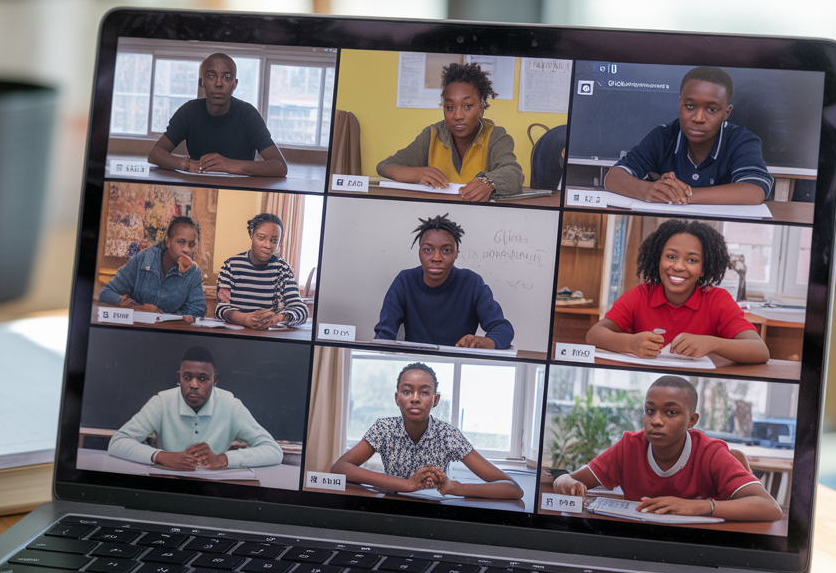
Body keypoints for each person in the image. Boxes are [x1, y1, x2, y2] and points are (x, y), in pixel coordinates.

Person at [552, 376, 782, 521]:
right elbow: (567, 479)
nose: (656, 421)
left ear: (692, 421)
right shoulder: (629, 446)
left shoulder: (711, 453)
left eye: (671, 412)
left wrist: (699, 507)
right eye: (650, 411)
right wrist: (567, 482)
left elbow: (770, 508)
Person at [585, 219, 769, 364]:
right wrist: (630, 344)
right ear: (658, 259)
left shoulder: (717, 300)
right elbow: (594, 334)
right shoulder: (641, 295)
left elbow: (760, 351)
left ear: (704, 269)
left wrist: (712, 343)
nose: (679, 266)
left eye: (692, 260)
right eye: (671, 257)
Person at [330, 362, 523, 500]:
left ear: (435, 400)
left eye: (424, 392)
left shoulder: (448, 435)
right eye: (407, 392)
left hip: (434, 510)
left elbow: (513, 489)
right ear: (397, 398)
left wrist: (456, 487)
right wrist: (407, 485)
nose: (415, 399)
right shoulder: (383, 428)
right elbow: (339, 468)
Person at [603, 66, 773, 206]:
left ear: (726, 113)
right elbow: (614, 177)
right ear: (680, 103)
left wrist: (683, 194)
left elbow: (754, 191)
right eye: (690, 106)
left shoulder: (742, 141)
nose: (698, 118)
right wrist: (649, 191)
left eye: (712, 109)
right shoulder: (663, 136)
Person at [108, 346, 283, 470]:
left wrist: (222, 459)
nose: (193, 385)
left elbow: (273, 451)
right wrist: (162, 456)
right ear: (179, 378)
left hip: (214, 487)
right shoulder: (162, 402)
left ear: (214, 380)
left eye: (203, 379)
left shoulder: (230, 405)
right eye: (187, 377)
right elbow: (117, 443)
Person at [377, 62, 524, 201]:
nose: (458, 116)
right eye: (449, 107)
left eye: (467, 106)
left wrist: (489, 182)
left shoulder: (495, 136)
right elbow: (385, 166)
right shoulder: (433, 135)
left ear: (481, 107)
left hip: (482, 217)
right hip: (439, 219)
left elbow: (513, 174)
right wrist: (417, 174)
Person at [375, 213, 514, 349]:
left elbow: (503, 328)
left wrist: (487, 342)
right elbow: (385, 333)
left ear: (456, 254)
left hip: (458, 363)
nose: (436, 258)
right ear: (419, 253)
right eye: (428, 250)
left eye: (446, 251)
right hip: (416, 363)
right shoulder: (405, 281)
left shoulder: (472, 283)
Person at [147, 53, 288, 177]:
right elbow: (155, 154)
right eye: (211, 76)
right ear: (202, 82)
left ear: (234, 84)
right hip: (198, 187)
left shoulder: (248, 114)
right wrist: (185, 163)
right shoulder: (189, 111)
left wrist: (230, 165)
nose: (219, 83)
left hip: (241, 191)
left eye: (226, 77)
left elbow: (280, 166)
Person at [98, 215, 206, 320]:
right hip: (137, 328)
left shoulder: (193, 273)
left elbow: (198, 308)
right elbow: (106, 293)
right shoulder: (143, 259)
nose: (186, 249)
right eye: (181, 242)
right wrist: (135, 307)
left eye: (191, 244)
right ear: (168, 241)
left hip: (169, 332)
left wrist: (173, 317)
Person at [215, 213, 308, 328]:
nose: (267, 245)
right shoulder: (231, 266)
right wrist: (245, 319)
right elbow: (221, 309)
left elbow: (301, 309)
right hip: (236, 334)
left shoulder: (282, 269)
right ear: (251, 235)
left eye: (274, 240)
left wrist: (280, 317)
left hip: (267, 335)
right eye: (261, 238)